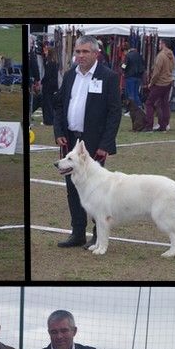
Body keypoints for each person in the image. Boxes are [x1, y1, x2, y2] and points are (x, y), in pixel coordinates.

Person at [53, 34, 122, 248]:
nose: (80, 56)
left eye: (85, 52)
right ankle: (77, 232)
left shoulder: (108, 77)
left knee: (97, 191)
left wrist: (106, 144)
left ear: (96, 53)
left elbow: (114, 113)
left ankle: (97, 233)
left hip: (93, 142)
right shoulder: (70, 75)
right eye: (78, 52)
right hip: (70, 139)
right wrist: (59, 131)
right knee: (72, 187)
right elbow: (59, 105)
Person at [144, 37, 175, 132]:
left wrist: (151, 83)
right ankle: (164, 125)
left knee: (149, 103)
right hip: (168, 82)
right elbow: (172, 68)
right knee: (164, 104)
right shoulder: (171, 55)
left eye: (160, 43)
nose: (158, 45)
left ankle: (149, 125)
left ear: (163, 44)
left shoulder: (161, 56)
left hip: (160, 83)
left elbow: (156, 72)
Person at [40, 43, 59, 126]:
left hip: (49, 85)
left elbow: (47, 75)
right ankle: (49, 119)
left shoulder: (50, 63)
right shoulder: (51, 61)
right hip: (51, 85)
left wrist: (42, 81)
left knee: (48, 103)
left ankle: (48, 120)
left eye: (47, 50)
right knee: (49, 103)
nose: (45, 52)